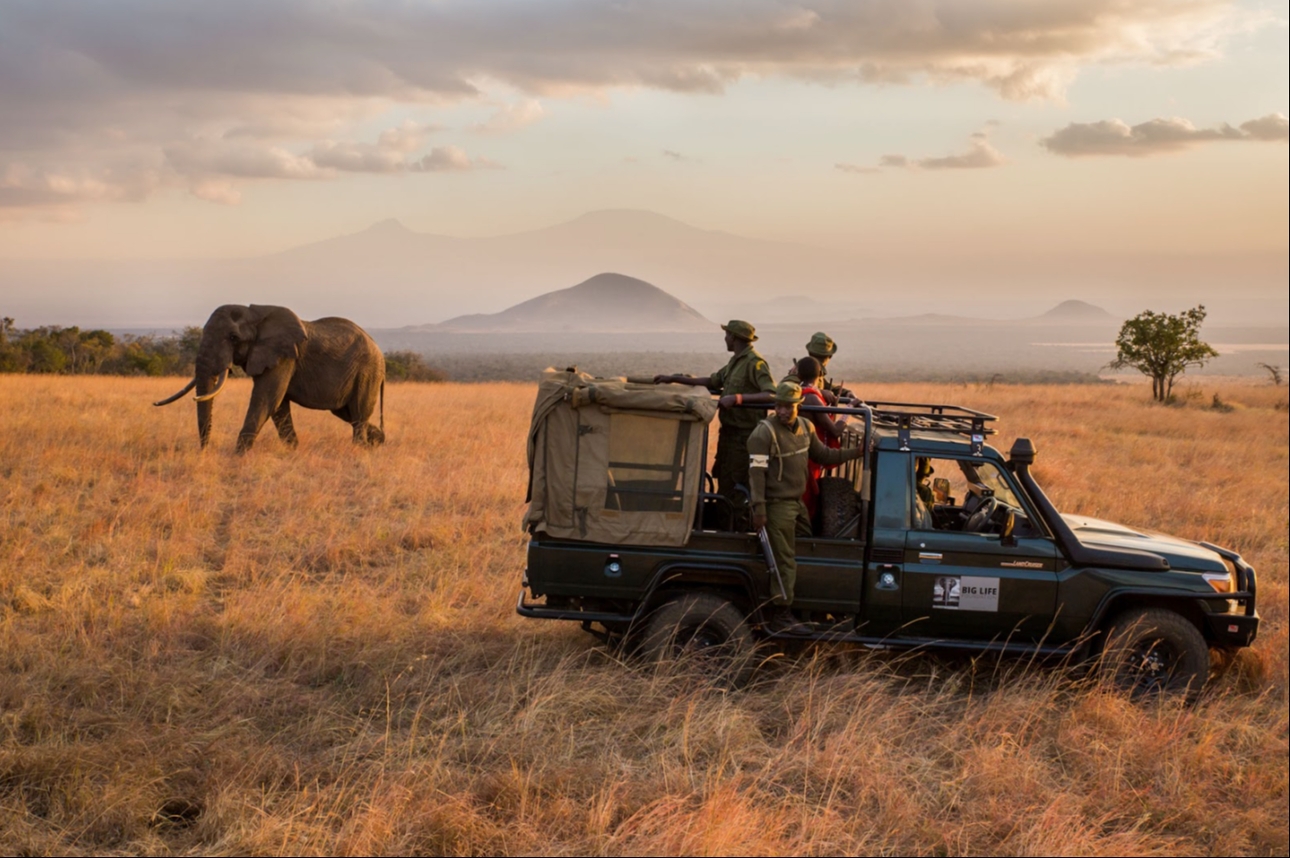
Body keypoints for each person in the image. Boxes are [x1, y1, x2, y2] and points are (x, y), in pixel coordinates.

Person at [748, 381, 863, 633]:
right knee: (784, 561)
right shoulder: (763, 433)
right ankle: (781, 614)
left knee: (806, 549)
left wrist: (856, 452)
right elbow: (756, 475)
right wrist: (760, 509)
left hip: (797, 503)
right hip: (776, 506)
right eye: (778, 406)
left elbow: (824, 455)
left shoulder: (806, 427)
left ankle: (802, 608)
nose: (781, 411)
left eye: (787, 407)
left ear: (798, 406)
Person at [655, 320, 776, 507]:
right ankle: (725, 519)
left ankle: (737, 522)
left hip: (745, 437)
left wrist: (738, 398)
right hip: (729, 434)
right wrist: (674, 379)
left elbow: (771, 394)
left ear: (733, 337)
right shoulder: (735, 362)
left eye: (727, 335)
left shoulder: (755, 363)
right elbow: (713, 381)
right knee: (725, 481)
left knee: (738, 485)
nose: (725, 339)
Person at [795, 356, 849, 519]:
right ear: (820, 375)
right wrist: (848, 410)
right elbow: (835, 431)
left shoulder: (797, 393)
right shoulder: (812, 398)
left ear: (798, 374)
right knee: (807, 501)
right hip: (811, 456)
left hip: (800, 453)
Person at [784, 331, 852, 401]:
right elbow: (785, 389)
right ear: (830, 356)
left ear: (809, 352)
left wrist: (846, 393)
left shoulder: (816, 370)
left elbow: (827, 386)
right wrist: (819, 392)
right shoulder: (803, 368)